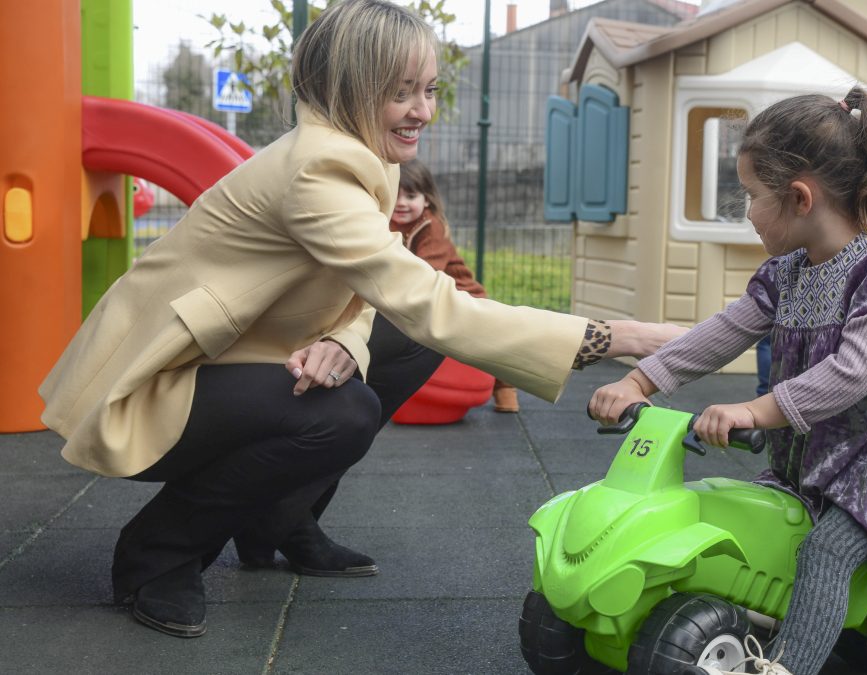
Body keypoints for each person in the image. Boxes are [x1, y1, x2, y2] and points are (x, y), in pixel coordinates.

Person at [38, 0, 684, 639]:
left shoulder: (362, 152)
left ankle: (278, 521)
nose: (423, 110)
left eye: (428, 89)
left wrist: (345, 337)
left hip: (235, 356)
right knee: (341, 412)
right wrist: (616, 336)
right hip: (160, 377)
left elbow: (381, 281)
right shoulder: (318, 168)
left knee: (401, 344)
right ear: (348, 89)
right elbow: (423, 296)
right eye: (400, 92)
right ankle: (158, 553)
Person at [590, 87, 867, 675]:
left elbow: (853, 372)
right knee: (754, 520)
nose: (745, 210)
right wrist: (641, 380)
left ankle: (786, 666)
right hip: (818, 459)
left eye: (751, 196)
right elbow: (723, 331)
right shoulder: (788, 273)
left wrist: (755, 409)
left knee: (824, 551)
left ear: (799, 198)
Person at [390, 159, 521, 412]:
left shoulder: (431, 226)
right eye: (395, 195)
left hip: (463, 294)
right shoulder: (386, 223)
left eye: (410, 195)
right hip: (430, 296)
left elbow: (429, 270)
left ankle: (505, 387)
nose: (401, 203)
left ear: (426, 199)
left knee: (489, 342)